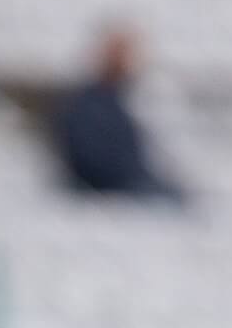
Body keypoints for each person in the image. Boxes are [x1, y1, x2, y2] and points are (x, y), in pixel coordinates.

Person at [53, 27, 186, 202]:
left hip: (129, 184)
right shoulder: (87, 105)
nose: (129, 65)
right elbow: (90, 160)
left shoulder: (118, 102)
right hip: (109, 189)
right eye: (123, 57)